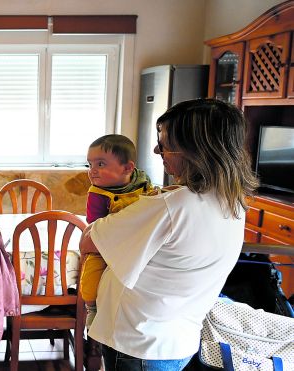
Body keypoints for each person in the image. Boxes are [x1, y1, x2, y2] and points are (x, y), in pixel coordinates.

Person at [79, 98, 259, 370]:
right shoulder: (233, 202)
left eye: (164, 144)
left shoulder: (169, 207)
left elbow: (89, 241)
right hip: (178, 341)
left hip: (137, 342)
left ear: (193, 149)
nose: (155, 149)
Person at [81, 134, 152, 328]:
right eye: (90, 165)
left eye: (100, 164)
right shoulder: (97, 193)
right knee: (91, 272)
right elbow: (95, 225)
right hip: (105, 244)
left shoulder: (144, 184)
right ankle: (91, 307)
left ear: (128, 168)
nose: (92, 171)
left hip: (138, 243)